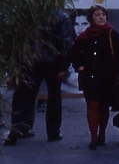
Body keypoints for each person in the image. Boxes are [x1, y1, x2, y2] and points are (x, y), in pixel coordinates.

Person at [4, 9, 76, 145]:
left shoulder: (27, 14)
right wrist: (64, 66)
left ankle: (19, 128)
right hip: (53, 62)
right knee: (54, 97)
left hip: (30, 62)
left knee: (24, 96)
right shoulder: (61, 17)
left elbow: (18, 40)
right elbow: (66, 43)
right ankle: (53, 132)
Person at [70, 5, 119, 150]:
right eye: (97, 15)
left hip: (107, 76)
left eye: (103, 14)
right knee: (92, 104)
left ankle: (102, 134)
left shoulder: (111, 34)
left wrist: (118, 71)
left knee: (103, 106)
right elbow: (74, 54)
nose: (101, 17)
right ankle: (94, 138)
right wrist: (79, 66)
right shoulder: (84, 36)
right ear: (91, 18)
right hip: (89, 76)